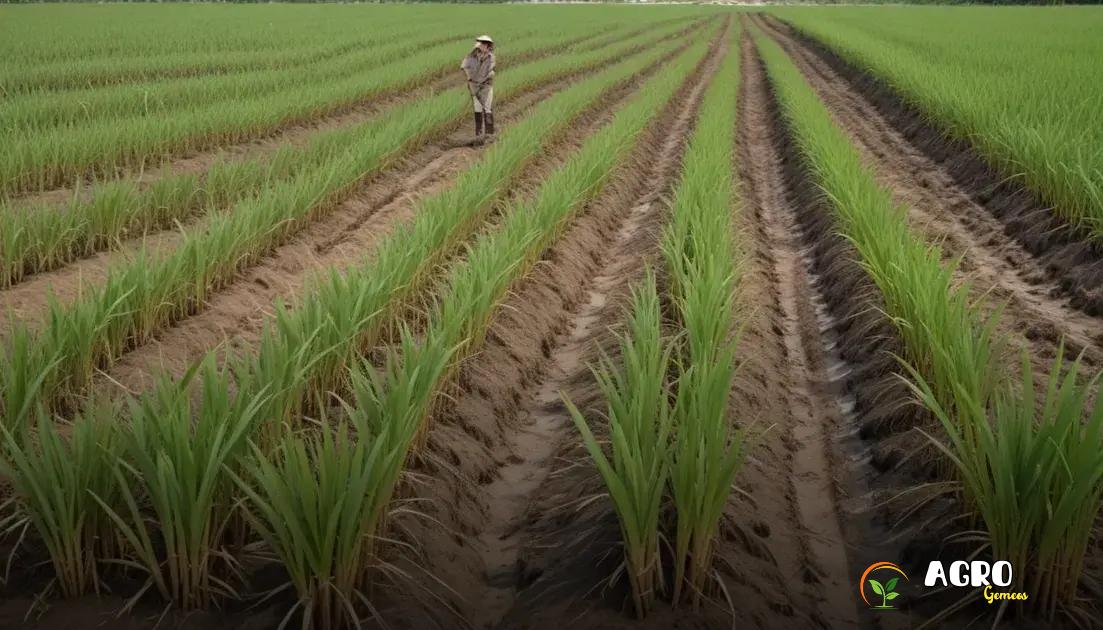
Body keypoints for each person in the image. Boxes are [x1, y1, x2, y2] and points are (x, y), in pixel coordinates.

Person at [461, 35, 496, 143]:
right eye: (481, 43)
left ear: (488, 46)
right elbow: (464, 66)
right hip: (475, 86)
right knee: (477, 109)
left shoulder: (491, 57)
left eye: (485, 44)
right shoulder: (471, 56)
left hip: (486, 86)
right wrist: (469, 76)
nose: (482, 45)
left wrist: (487, 76)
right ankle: (478, 135)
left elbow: (490, 71)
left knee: (487, 108)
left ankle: (489, 136)